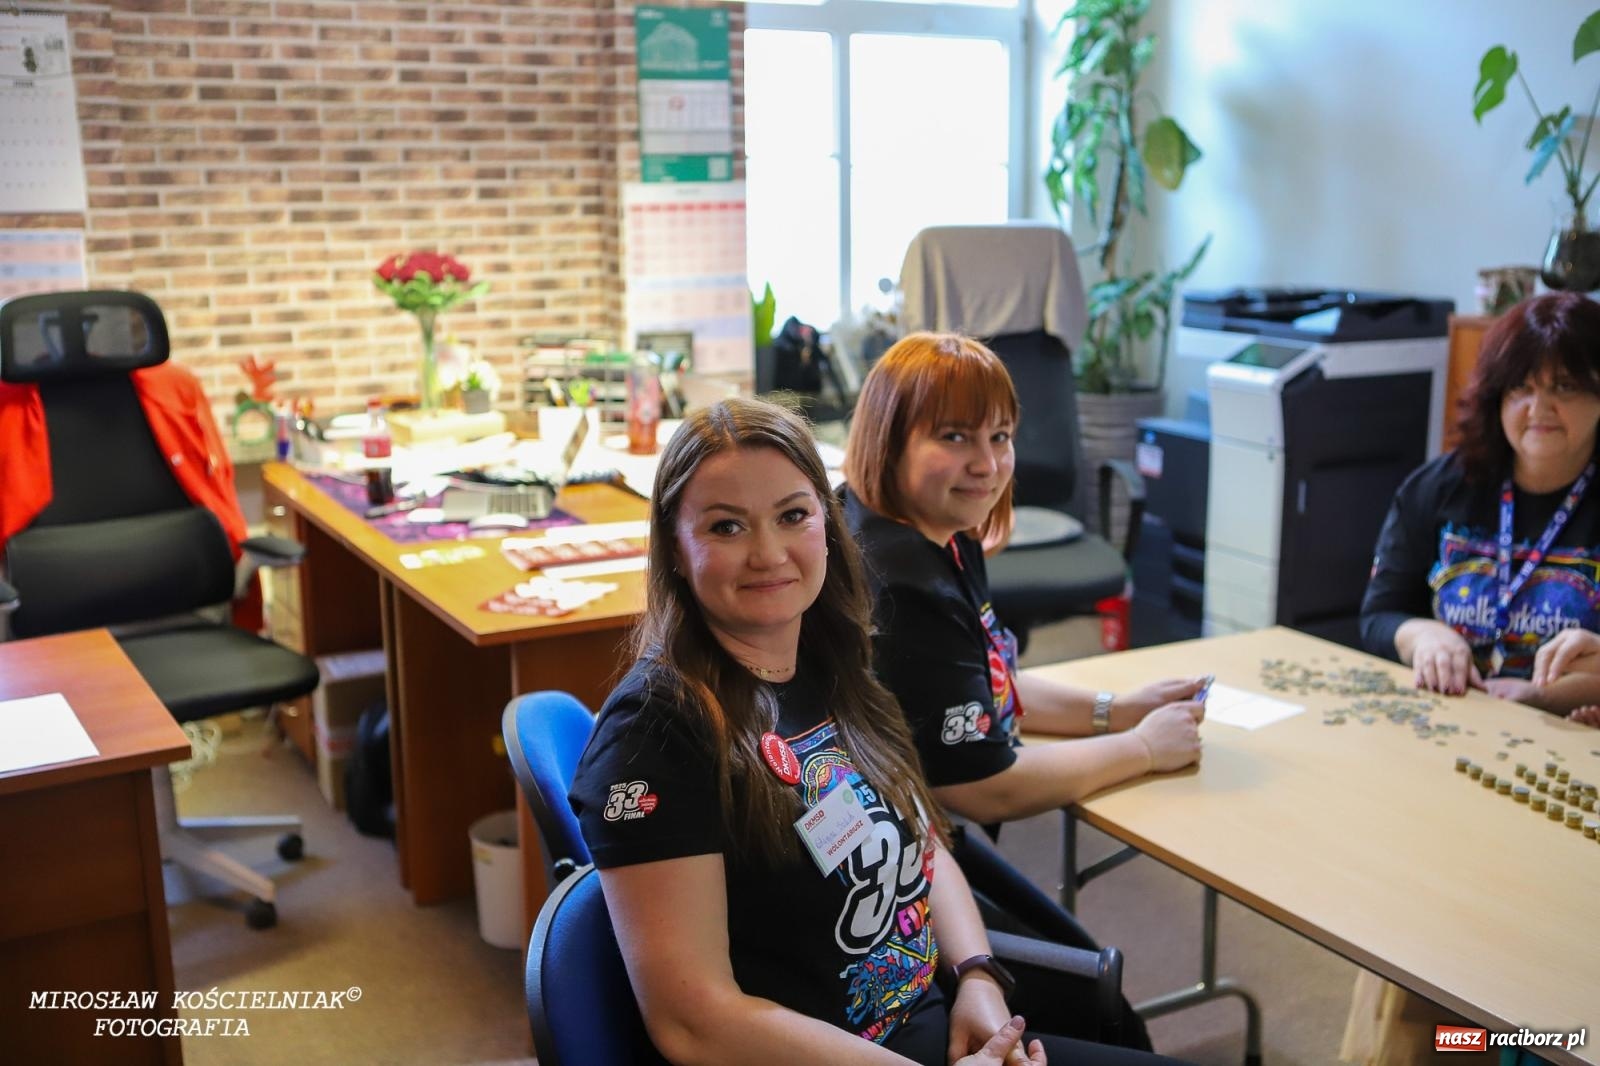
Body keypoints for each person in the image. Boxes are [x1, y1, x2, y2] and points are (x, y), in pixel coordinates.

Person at [570, 397, 1188, 1066]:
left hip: (936, 1021)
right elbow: (695, 1022)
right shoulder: (658, 733)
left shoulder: (827, 663)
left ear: (828, 527)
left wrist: (978, 974)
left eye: (793, 515)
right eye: (726, 527)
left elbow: (922, 839)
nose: (769, 552)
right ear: (677, 549)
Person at [840, 332, 1205, 827]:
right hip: (895, 843)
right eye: (954, 437)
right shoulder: (904, 583)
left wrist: (1116, 710)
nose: (987, 466)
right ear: (889, 439)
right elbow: (987, 788)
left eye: (1000, 436)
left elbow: (979, 682)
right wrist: (1142, 746)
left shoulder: (940, 526)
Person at [1361, 292, 1600, 713]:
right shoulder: (1439, 487)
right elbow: (1380, 616)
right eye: (1521, 387)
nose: (1538, 409)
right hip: (1450, 719)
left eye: (1565, 386)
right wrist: (1423, 636)